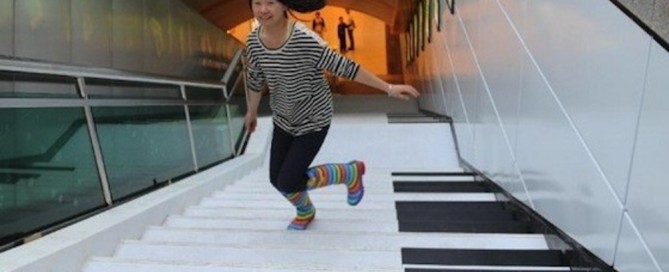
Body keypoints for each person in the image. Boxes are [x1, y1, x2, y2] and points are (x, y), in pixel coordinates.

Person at [245, 0, 420, 231]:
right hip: (284, 118)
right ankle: (307, 210)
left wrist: (388, 88)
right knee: (276, 180)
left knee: (288, 179)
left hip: (314, 118)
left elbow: (344, 66)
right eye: (257, 3)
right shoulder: (254, 41)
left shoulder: (303, 39)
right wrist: (252, 112)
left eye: (270, 3)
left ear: (285, 5)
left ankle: (348, 173)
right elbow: (255, 80)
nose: (263, 10)